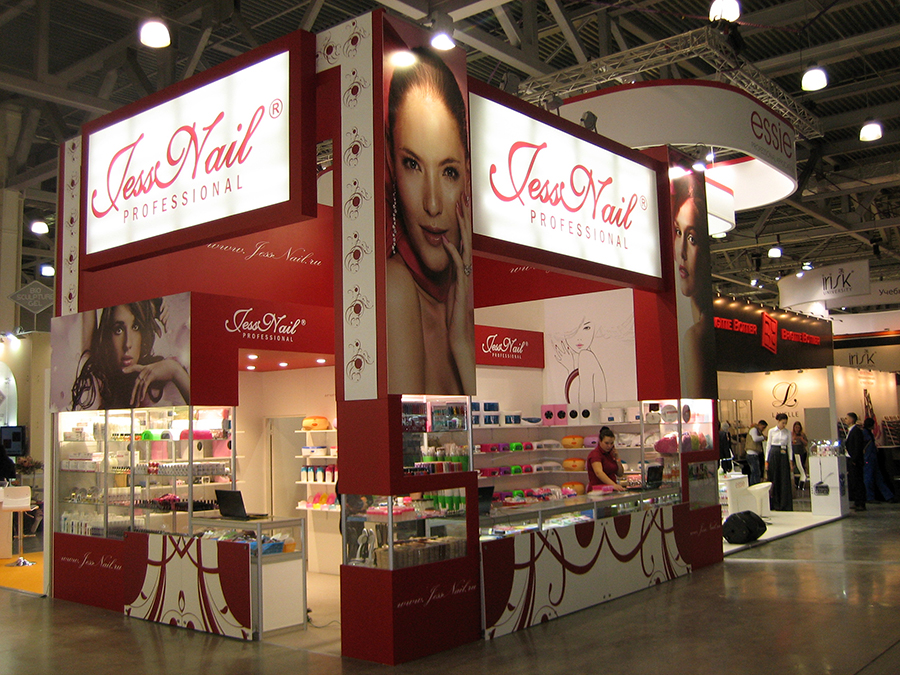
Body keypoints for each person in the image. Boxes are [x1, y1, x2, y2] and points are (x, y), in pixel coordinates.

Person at [385, 46, 475, 396]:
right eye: (413, 165)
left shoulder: (456, 300)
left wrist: (462, 345)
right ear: (391, 163)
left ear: (467, 174)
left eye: (449, 171)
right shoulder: (396, 285)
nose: (433, 203)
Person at [71, 299, 190, 410]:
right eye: (118, 330)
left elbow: (199, 411)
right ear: (108, 335)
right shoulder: (98, 380)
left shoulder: (165, 379)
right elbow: (89, 346)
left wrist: (175, 371)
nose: (127, 344)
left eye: (136, 327)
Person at [672, 173, 716, 399]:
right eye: (678, 232)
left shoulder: (696, 338)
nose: (681, 252)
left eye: (692, 239)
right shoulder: (701, 331)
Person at [862, 417, 894, 503]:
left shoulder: (867, 433)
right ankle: (872, 497)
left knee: (877, 478)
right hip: (869, 458)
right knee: (870, 479)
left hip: (871, 458)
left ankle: (887, 496)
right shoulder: (866, 434)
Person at [767, 413, 793, 511]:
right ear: (778, 421)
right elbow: (768, 446)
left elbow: (789, 447)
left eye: (785, 423)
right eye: (783, 423)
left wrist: (791, 461)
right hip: (774, 453)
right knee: (774, 477)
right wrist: (766, 460)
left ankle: (784, 503)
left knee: (784, 478)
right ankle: (774, 503)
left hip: (783, 454)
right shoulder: (771, 431)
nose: (784, 425)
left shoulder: (788, 432)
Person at [587, 427, 625, 491]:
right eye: (606, 443)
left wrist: (617, 458)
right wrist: (614, 485)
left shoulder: (610, 454)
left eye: (611, 443)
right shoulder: (595, 454)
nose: (609, 446)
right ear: (600, 441)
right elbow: (599, 473)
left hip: (610, 490)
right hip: (598, 490)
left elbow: (620, 474)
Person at [843, 412, 866, 511]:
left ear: (852, 420)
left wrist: (854, 459)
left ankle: (861, 503)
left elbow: (858, 446)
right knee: (853, 481)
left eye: (847, 418)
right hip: (850, 458)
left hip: (855, 460)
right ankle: (857, 501)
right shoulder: (850, 431)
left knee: (858, 482)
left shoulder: (856, 431)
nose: (845, 420)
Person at [744, 419, 768, 486]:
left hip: (754, 454)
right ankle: (755, 485)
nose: (763, 429)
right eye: (763, 427)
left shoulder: (757, 431)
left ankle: (754, 484)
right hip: (752, 454)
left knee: (755, 471)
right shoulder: (754, 430)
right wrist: (763, 437)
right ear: (759, 425)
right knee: (755, 472)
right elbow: (755, 438)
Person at [791, 421, 809, 489]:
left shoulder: (802, 434)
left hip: (802, 452)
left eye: (798, 427)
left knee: (802, 467)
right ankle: (796, 483)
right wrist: (794, 439)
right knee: (796, 467)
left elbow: (806, 443)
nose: (797, 429)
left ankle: (802, 483)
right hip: (794, 452)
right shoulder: (792, 434)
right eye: (796, 427)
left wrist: (801, 439)